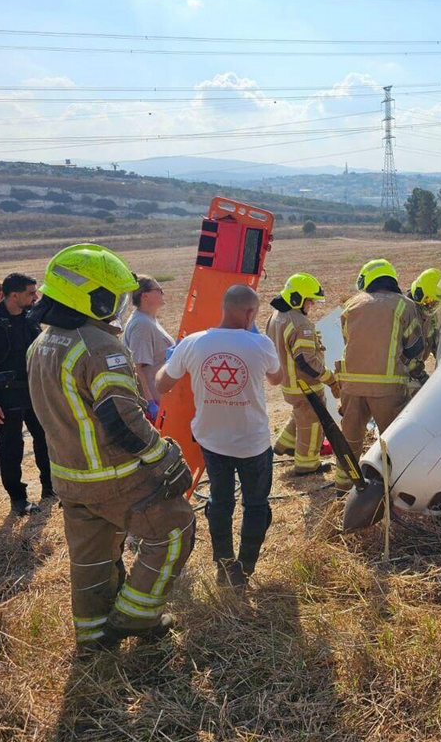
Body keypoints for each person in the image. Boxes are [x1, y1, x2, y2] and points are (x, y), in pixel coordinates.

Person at [27, 243, 195, 651]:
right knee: (176, 529)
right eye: (114, 296)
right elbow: (123, 419)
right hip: (113, 476)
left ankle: (94, 639)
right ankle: (137, 614)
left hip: (69, 478)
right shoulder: (97, 346)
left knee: (92, 562)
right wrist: (164, 458)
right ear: (94, 296)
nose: (120, 305)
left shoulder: (42, 344)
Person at [156, 285, 282, 592]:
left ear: (224, 308)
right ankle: (247, 565)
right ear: (251, 313)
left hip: (213, 442)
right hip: (253, 443)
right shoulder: (261, 344)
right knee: (255, 504)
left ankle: (224, 565)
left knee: (220, 502)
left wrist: (174, 359)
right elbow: (277, 379)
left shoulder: (193, 343)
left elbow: (162, 384)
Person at [0, 273, 54, 515]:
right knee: (11, 448)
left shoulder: (31, 316)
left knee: (45, 440)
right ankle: (18, 498)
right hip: (4, 396)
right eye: (31, 293)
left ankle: (50, 487)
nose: (36, 297)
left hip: (35, 392)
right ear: (13, 295)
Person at [333, 259, 423, 493]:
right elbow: (415, 347)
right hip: (388, 390)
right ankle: (395, 489)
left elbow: (348, 343)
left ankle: (343, 488)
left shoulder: (350, 306)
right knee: (391, 442)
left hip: (351, 388)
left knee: (350, 441)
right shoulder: (405, 305)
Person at [266, 273, 339, 475]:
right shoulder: (300, 324)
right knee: (314, 422)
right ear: (297, 299)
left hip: (288, 384)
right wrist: (330, 379)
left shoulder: (275, 317)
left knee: (300, 415)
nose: (312, 305)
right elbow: (307, 361)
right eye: (309, 300)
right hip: (304, 387)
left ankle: (285, 445)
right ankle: (307, 465)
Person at [122, 275, 174, 422]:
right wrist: (150, 403)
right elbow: (136, 368)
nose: (162, 293)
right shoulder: (142, 325)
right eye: (158, 290)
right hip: (155, 402)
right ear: (145, 296)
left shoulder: (147, 319)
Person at [406, 267, 441, 385]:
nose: (432, 307)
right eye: (430, 301)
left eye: (436, 304)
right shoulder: (405, 314)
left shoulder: (430, 316)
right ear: (419, 293)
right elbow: (404, 356)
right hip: (401, 374)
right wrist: (421, 376)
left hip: (415, 371)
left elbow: (436, 344)